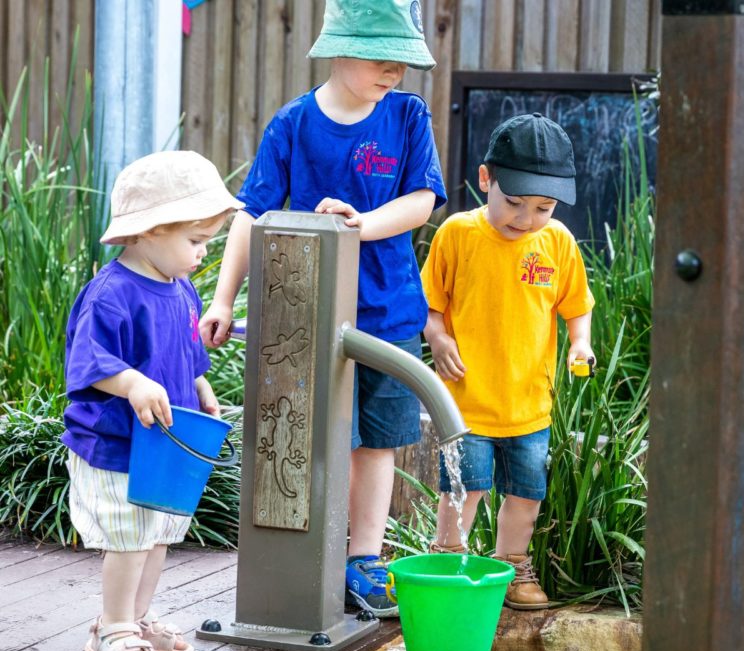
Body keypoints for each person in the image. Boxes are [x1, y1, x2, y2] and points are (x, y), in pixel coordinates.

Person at [197, 0, 445, 618]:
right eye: (381, 58)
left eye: (403, 61)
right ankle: (310, 556)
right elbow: (252, 215)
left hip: (388, 315)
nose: (395, 71)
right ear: (339, 47)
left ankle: (364, 560)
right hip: (306, 319)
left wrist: (362, 225)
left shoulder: (408, 116)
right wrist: (224, 297)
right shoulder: (293, 124)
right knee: (312, 441)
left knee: (377, 444)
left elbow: (422, 199)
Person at [63, 150, 241, 651]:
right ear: (147, 232)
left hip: (162, 443)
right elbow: (89, 363)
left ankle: (137, 618)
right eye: (194, 240)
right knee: (127, 538)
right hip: (116, 444)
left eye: (207, 240)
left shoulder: (179, 287)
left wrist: (200, 382)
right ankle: (112, 625)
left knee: (158, 533)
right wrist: (133, 381)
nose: (203, 253)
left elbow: (183, 351)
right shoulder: (112, 295)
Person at [421, 113, 595, 609]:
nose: (526, 218)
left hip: (529, 405)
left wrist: (580, 343)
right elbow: (430, 307)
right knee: (465, 491)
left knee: (525, 496)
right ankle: (448, 558)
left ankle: (513, 566)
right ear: (485, 179)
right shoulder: (458, 233)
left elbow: (576, 308)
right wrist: (437, 337)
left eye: (543, 207)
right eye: (514, 202)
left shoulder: (557, 242)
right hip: (467, 402)